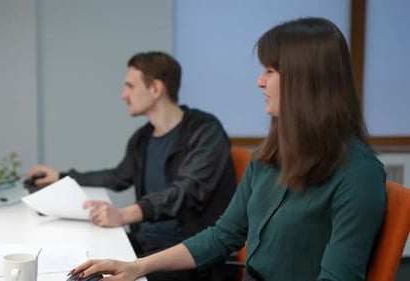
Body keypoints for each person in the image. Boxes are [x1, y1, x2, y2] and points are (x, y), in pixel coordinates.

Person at [67, 17, 387, 281]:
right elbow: (222, 236)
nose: (259, 82)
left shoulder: (358, 174)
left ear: (306, 81)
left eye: (270, 71)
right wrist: (137, 267)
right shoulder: (269, 157)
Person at [28, 51, 238, 281]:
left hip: (186, 255)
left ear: (156, 88)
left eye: (130, 86)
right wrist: (61, 175)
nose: (123, 95)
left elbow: (187, 191)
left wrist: (124, 214)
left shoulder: (205, 131)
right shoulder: (142, 138)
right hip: (145, 244)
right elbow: (118, 177)